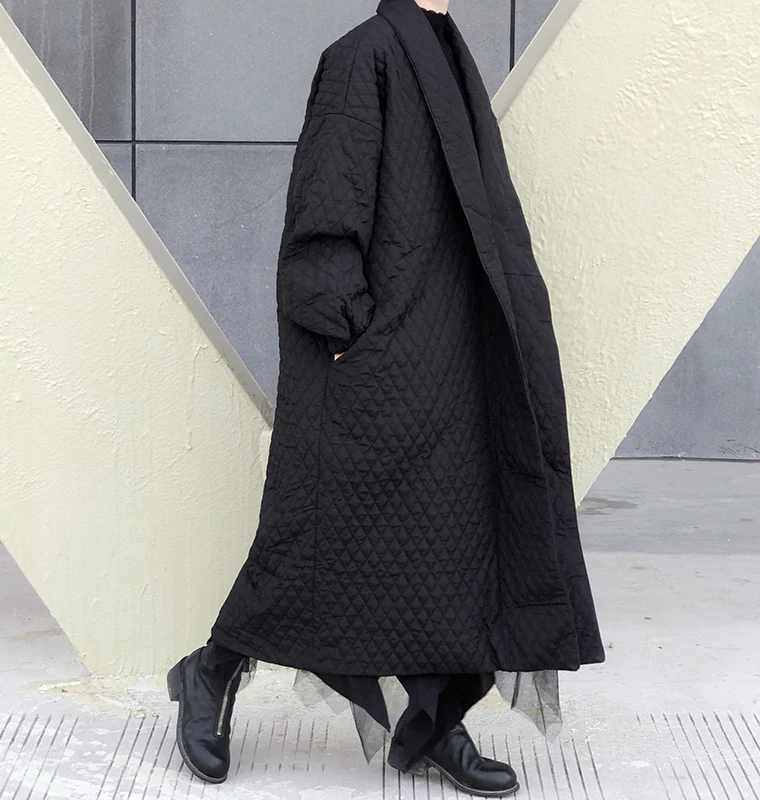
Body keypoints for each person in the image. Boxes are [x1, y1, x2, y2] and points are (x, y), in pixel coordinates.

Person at [167, 0, 605, 795]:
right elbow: (326, 197)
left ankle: (433, 720)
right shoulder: (362, 54)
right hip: (381, 347)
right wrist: (345, 330)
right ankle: (213, 669)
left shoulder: (445, 49)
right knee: (313, 540)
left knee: (446, 533)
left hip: (446, 344)